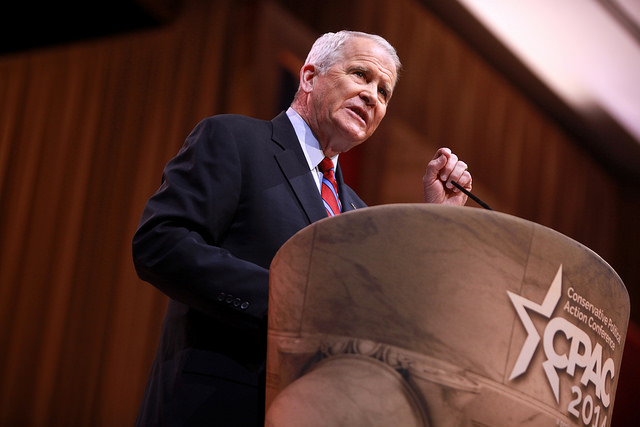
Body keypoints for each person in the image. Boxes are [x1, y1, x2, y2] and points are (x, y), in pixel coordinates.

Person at [132, 30, 472, 426]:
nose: (371, 96)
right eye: (360, 75)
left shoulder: (361, 215)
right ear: (310, 77)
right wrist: (292, 304)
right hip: (213, 406)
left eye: (384, 92)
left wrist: (440, 222)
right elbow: (161, 243)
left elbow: (384, 317)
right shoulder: (235, 140)